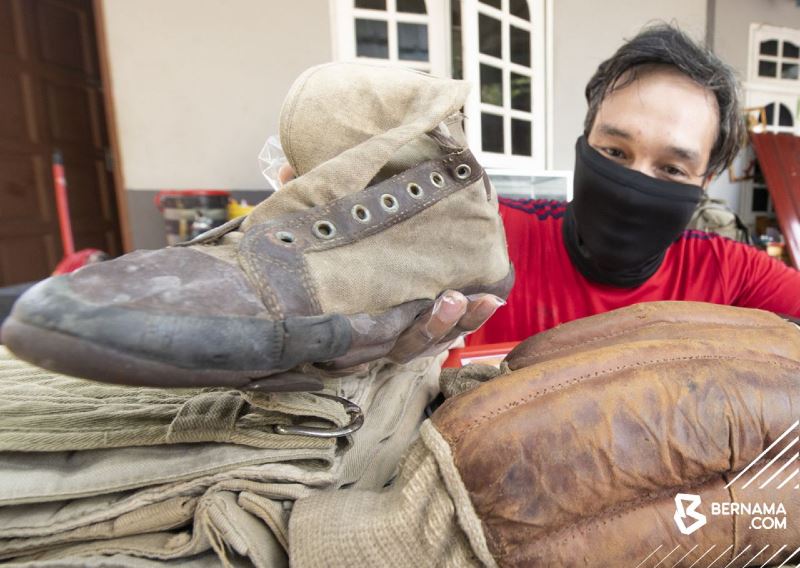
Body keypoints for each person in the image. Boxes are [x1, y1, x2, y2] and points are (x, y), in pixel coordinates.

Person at [467, 24, 800, 345]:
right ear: (585, 140)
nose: (632, 189)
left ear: (705, 182)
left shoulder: (728, 271)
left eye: (672, 168)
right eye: (614, 151)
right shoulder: (488, 232)